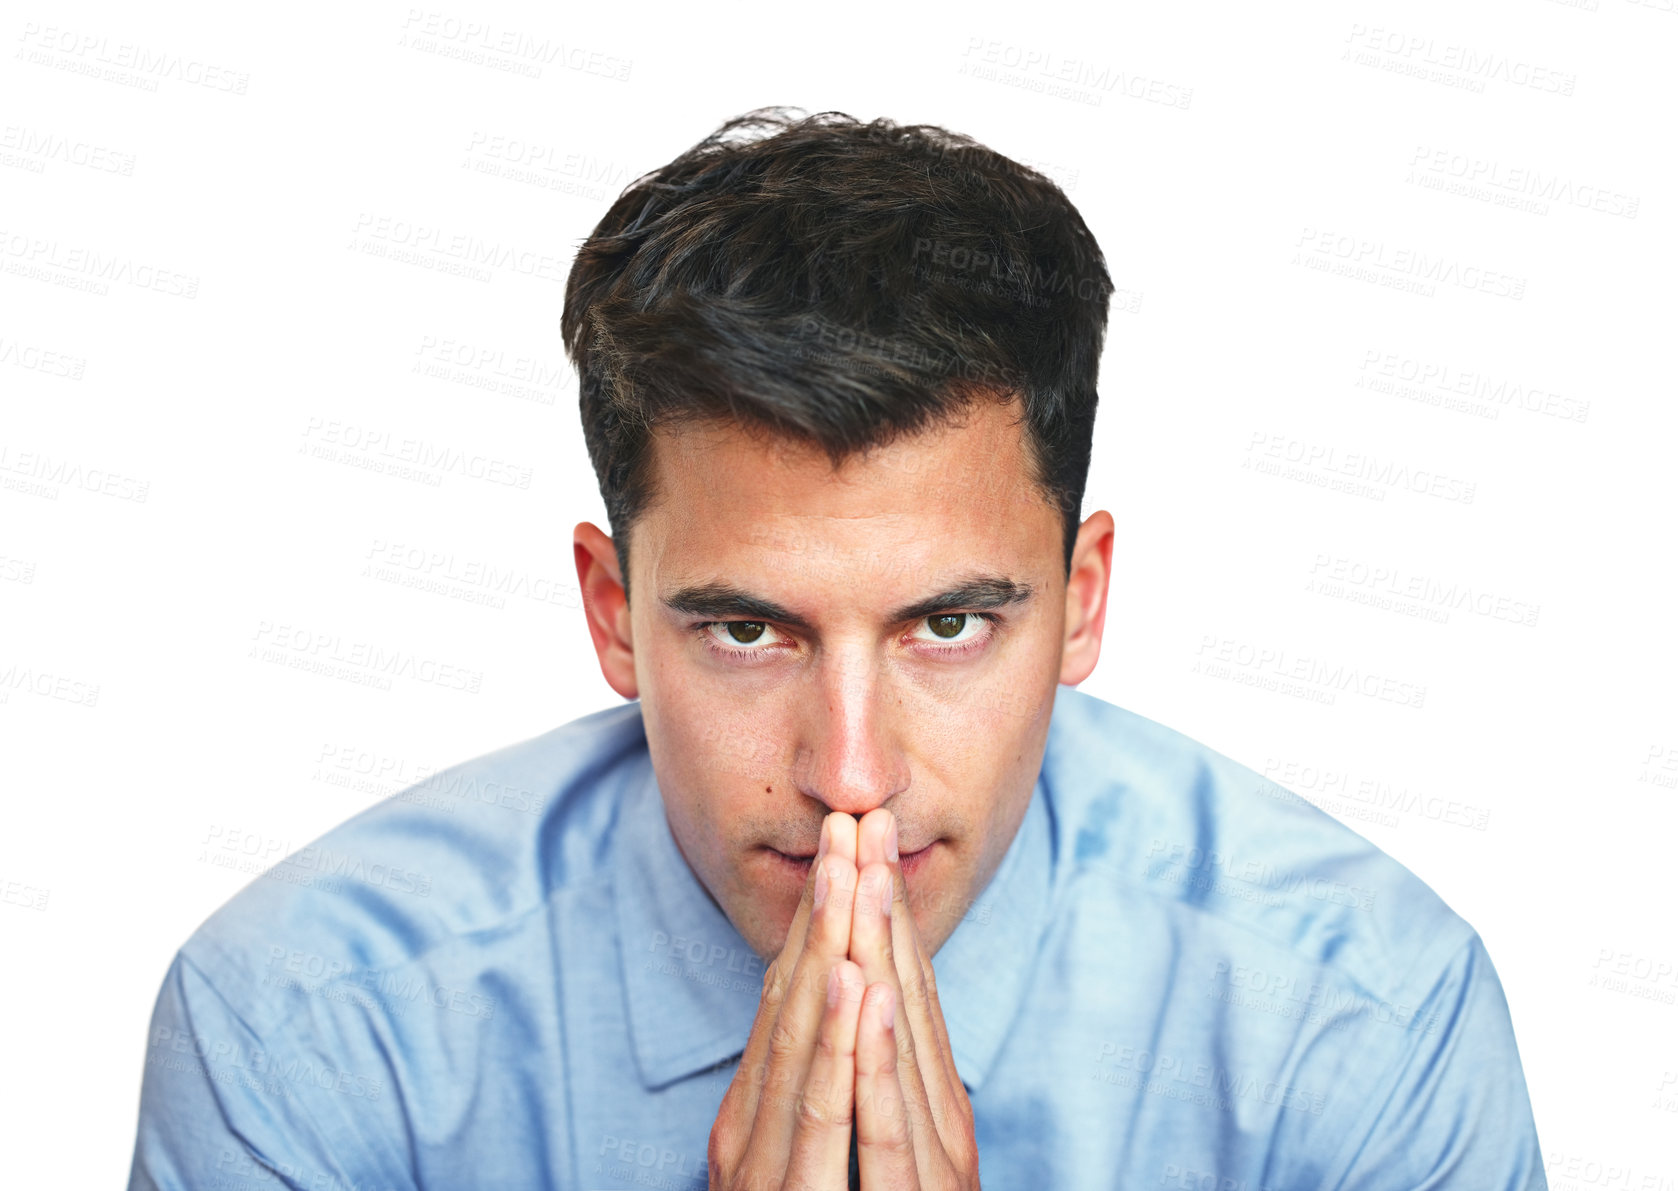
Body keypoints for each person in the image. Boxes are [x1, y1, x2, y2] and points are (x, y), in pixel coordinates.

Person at [128, 107, 1546, 1190]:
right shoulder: (302, 1030)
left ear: (1084, 598)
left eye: (949, 625)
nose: (851, 774)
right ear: (614, 612)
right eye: (747, 631)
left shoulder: (1361, 1018)